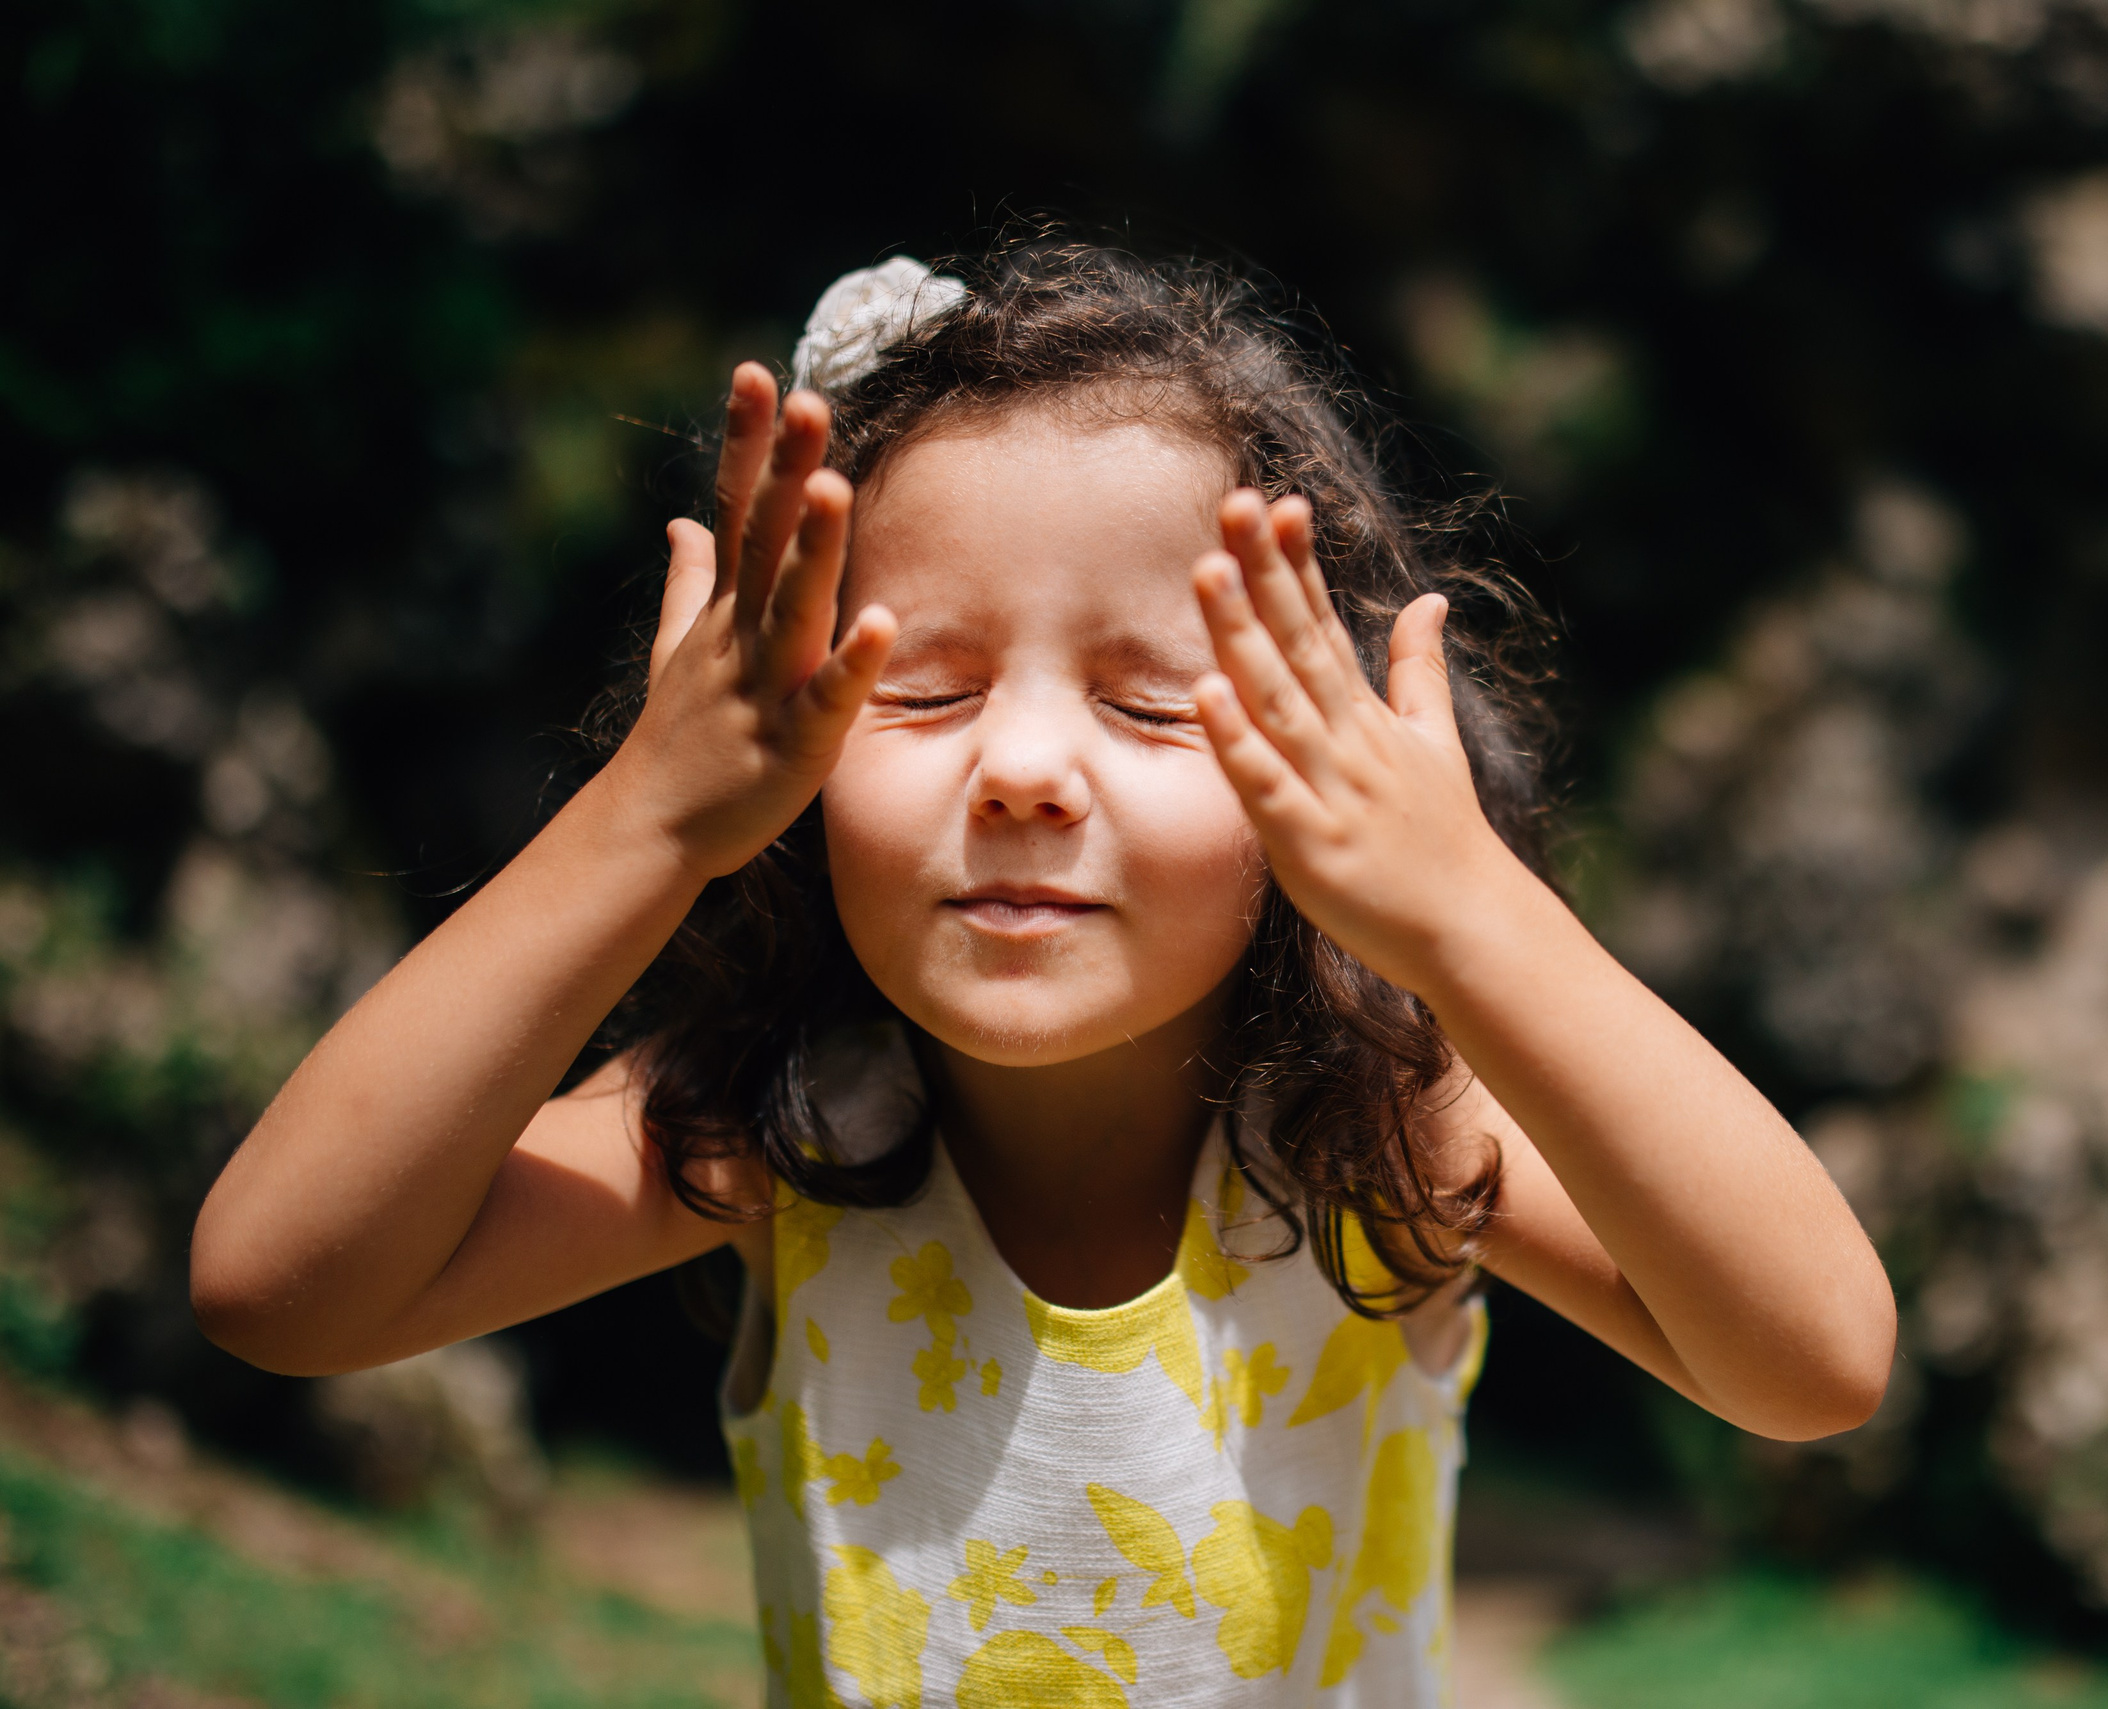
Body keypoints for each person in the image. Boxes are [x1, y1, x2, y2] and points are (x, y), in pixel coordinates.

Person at [191, 240, 1895, 1707]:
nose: (1020, 768)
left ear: (1316, 769)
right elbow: (283, 1288)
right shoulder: (790, 1125)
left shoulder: (1377, 1127)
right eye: (918, 691)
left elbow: (1813, 1361)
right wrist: (644, 820)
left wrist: (1470, 916)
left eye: (1151, 707)